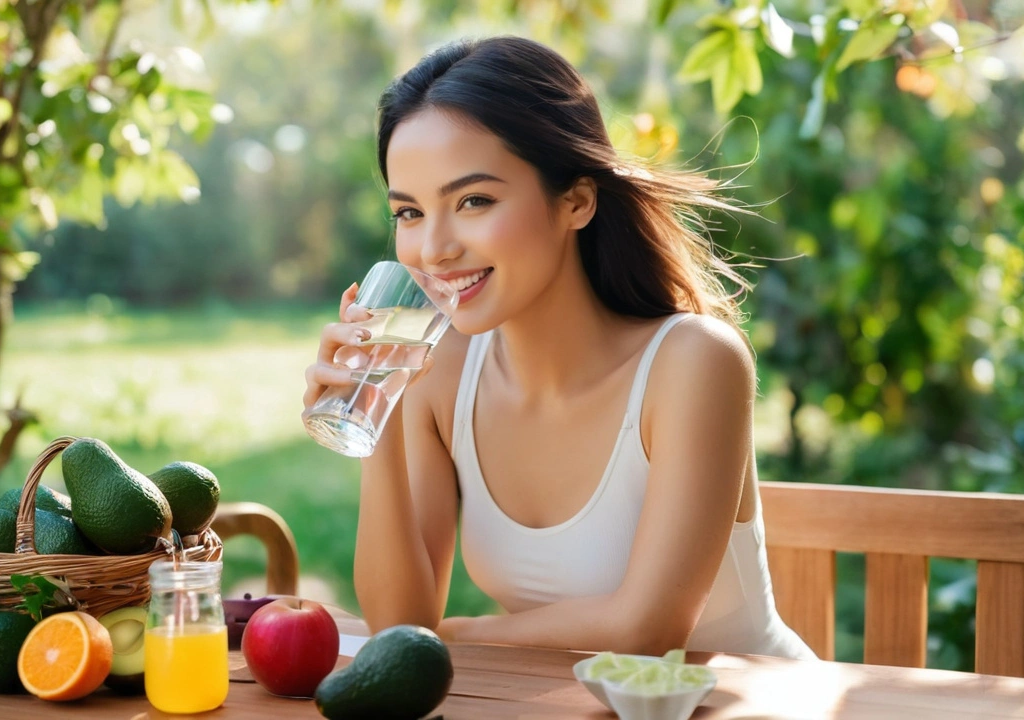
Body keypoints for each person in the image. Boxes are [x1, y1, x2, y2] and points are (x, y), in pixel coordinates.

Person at [302, 35, 815, 660]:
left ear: (575, 200)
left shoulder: (693, 362)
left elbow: (646, 631)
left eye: (473, 201)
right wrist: (370, 408)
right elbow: (399, 624)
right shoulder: (437, 374)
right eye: (408, 213)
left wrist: (455, 634)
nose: (433, 249)